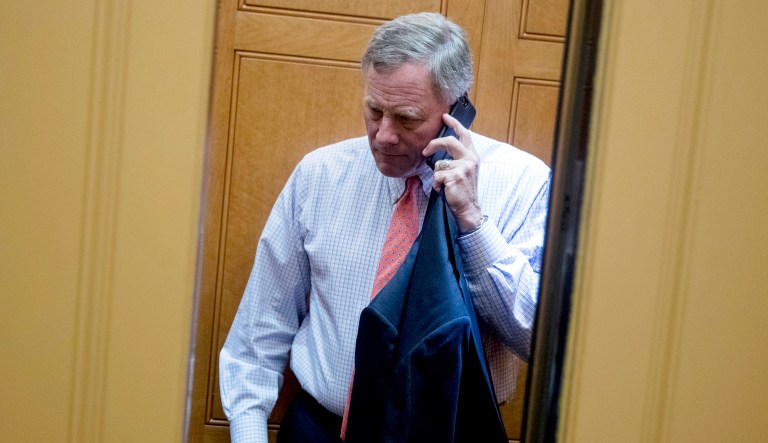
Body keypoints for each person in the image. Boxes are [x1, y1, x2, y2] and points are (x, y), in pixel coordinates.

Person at [219, 12, 551, 443]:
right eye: (374, 111)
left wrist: (473, 221)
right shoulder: (319, 175)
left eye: (407, 118)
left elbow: (538, 342)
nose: (384, 136)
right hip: (320, 430)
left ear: (457, 111)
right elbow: (258, 333)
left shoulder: (524, 183)